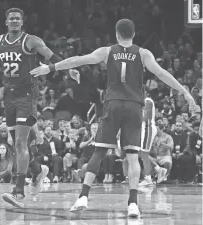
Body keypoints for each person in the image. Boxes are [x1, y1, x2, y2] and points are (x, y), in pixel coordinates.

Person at [31, 18, 197, 218]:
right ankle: (133, 204)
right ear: (133, 34)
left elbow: (77, 59)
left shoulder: (107, 51)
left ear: (117, 35)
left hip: (113, 104)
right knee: (133, 157)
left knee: (99, 152)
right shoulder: (143, 53)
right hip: (134, 106)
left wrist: (50, 68)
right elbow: (162, 74)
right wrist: (185, 93)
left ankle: (83, 196)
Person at [0, 8, 79, 208]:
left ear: (22, 22)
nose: (15, 21)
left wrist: (68, 69)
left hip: (27, 95)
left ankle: (18, 192)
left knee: (20, 142)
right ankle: (37, 171)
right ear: (6, 21)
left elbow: (51, 56)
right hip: (9, 96)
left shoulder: (31, 40)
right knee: (16, 145)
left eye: (18, 18)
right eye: (12, 18)